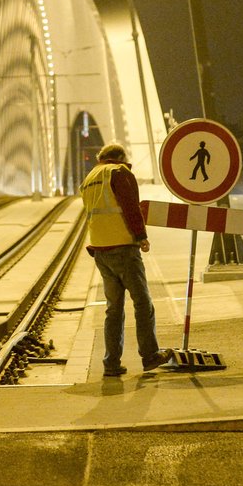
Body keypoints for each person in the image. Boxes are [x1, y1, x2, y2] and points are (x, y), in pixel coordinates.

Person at [80, 142, 173, 377]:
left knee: (113, 309)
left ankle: (111, 363)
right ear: (120, 157)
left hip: (100, 249)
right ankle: (150, 355)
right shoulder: (119, 172)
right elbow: (131, 207)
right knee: (142, 302)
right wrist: (141, 236)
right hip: (123, 247)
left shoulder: (89, 178)